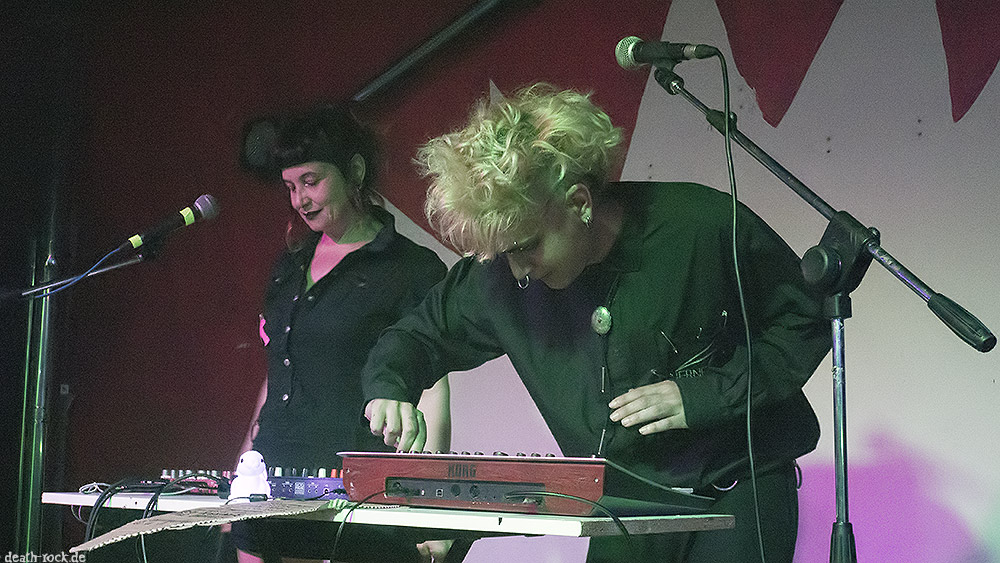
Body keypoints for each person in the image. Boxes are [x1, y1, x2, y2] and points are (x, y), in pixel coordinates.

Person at [362, 84, 831, 562]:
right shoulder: (497, 275)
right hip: (622, 507)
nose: (518, 270)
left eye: (527, 246)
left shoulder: (701, 224)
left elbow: (805, 316)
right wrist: (390, 388)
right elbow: (417, 336)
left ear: (579, 202)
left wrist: (706, 395)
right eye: (503, 254)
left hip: (739, 488)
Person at [232, 104, 453, 563]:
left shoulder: (410, 268)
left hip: (357, 491)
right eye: (290, 187)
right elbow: (277, 377)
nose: (300, 199)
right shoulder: (289, 266)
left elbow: (432, 389)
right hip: (269, 484)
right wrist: (240, 474)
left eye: (311, 181)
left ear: (354, 170)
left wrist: (427, 505)